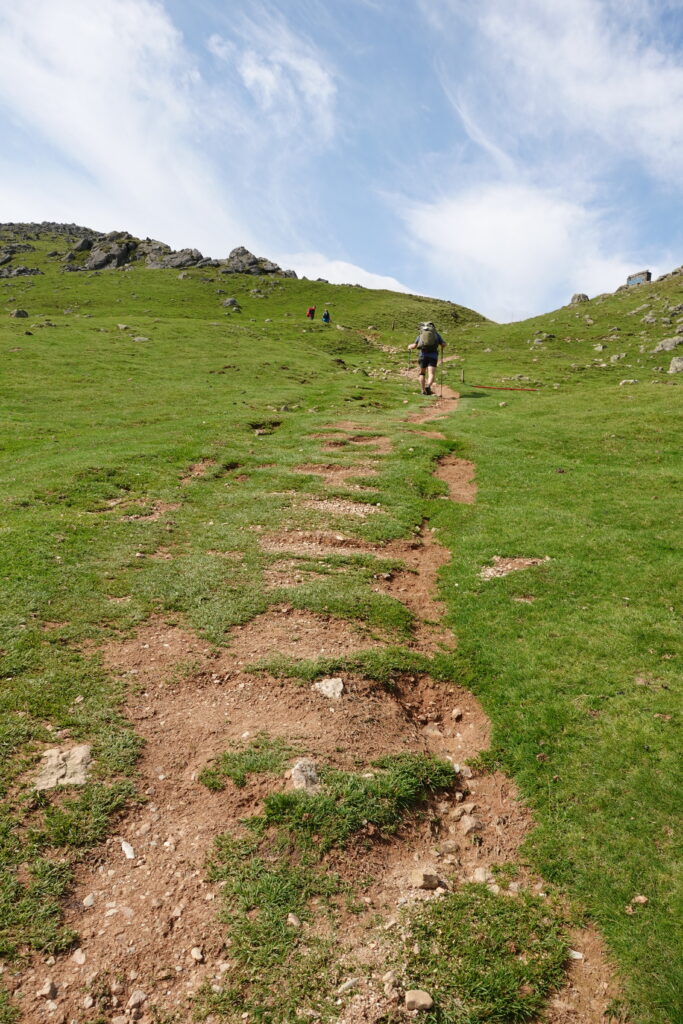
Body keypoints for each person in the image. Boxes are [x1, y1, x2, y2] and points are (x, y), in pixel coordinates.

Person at [407, 321, 445, 395]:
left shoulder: (421, 335)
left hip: (423, 355)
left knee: (422, 373)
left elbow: (414, 346)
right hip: (433, 356)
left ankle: (423, 390)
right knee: (431, 373)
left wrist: (409, 346)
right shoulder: (436, 335)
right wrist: (443, 345)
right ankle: (428, 386)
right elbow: (443, 344)